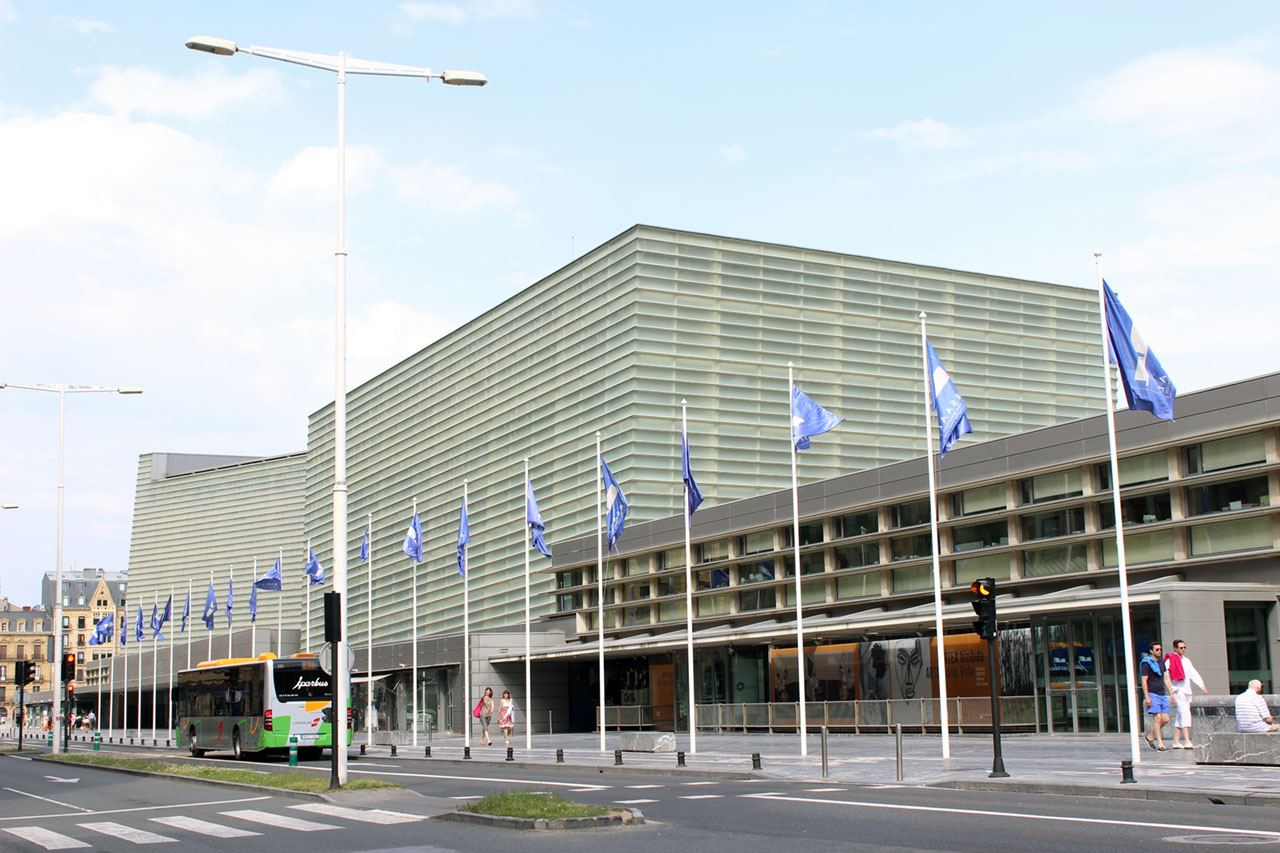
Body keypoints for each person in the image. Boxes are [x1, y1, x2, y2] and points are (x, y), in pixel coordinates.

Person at [1164, 639, 1206, 748]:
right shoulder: (1170, 660)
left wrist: (1201, 685)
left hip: (1187, 690)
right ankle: (1187, 740)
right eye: (1181, 648)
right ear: (1175, 648)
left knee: (1180, 715)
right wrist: (1173, 689)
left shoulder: (1186, 660)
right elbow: (1166, 677)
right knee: (1185, 712)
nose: (1183, 650)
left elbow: (1193, 673)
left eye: (1184, 648)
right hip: (1178, 690)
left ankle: (1176, 741)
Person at [1140, 641, 1172, 750]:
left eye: (1160, 649)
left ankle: (1150, 736)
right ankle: (1160, 744)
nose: (1159, 651)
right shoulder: (1147, 663)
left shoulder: (1161, 663)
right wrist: (1147, 696)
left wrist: (1171, 693)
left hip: (1162, 693)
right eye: (1157, 649)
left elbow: (1166, 678)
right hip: (1152, 693)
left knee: (1166, 718)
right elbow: (1144, 680)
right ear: (1151, 651)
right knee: (1157, 718)